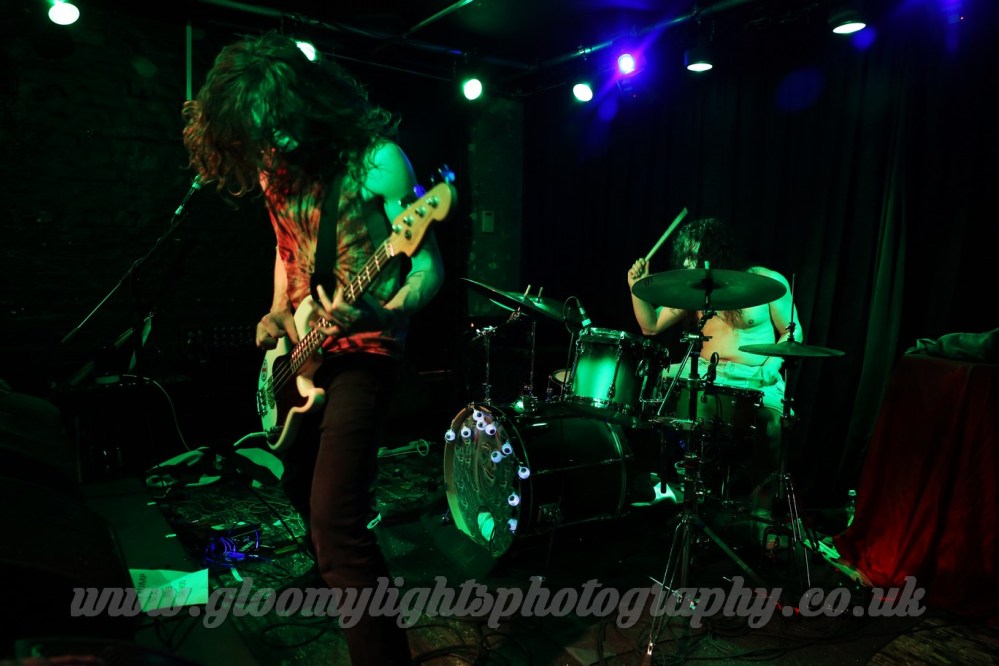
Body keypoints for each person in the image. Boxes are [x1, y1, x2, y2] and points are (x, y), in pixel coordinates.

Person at [182, 32, 444, 665]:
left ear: (309, 100)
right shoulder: (273, 167)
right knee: (301, 489)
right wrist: (278, 310)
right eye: (259, 134)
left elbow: (427, 266)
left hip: (365, 349)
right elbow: (287, 248)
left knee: (336, 522)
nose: (274, 141)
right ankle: (335, 575)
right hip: (301, 349)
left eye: (280, 124)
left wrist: (387, 309)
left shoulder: (377, 162)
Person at [626, 218, 800, 539]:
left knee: (774, 425)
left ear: (718, 253)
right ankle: (675, 490)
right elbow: (650, 325)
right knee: (653, 396)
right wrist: (636, 286)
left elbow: (793, 332)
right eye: (684, 255)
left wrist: (771, 367)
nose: (687, 262)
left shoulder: (765, 281)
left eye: (694, 254)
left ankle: (760, 510)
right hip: (709, 375)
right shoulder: (695, 289)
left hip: (757, 377)